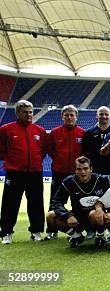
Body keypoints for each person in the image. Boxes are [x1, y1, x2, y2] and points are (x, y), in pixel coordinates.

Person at [0, 100, 48, 244]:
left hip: (35, 172)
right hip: (15, 173)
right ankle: (6, 233)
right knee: (10, 203)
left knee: (37, 203)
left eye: (30, 112)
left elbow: (43, 151)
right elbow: (1, 151)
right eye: (25, 112)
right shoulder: (6, 130)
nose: (29, 115)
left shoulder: (39, 130)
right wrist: (14, 162)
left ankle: (36, 231)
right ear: (18, 113)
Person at [45, 105, 85, 240]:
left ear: (76, 117)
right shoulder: (55, 133)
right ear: (62, 116)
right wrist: (58, 160)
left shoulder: (82, 133)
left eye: (72, 115)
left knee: (79, 202)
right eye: (66, 115)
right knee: (54, 202)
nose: (69, 117)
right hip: (59, 172)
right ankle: (52, 230)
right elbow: (49, 150)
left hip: (76, 175)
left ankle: (79, 228)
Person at [82, 106, 110, 175]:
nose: (104, 116)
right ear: (97, 116)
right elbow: (84, 153)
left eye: (106, 114)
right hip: (94, 171)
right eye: (101, 114)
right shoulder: (88, 133)